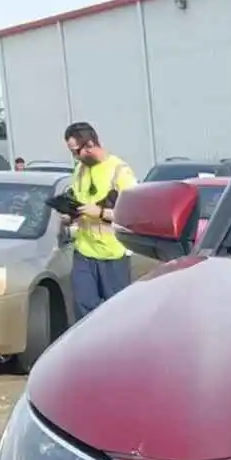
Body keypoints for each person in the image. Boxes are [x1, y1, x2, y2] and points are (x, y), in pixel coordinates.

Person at [62, 121, 137, 319]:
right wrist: (69, 214)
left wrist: (102, 213)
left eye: (76, 151)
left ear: (90, 144)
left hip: (114, 254)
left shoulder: (120, 171)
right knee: (83, 309)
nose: (75, 157)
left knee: (118, 314)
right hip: (84, 251)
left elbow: (133, 215)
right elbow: (79, 200)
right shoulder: (79, 170)